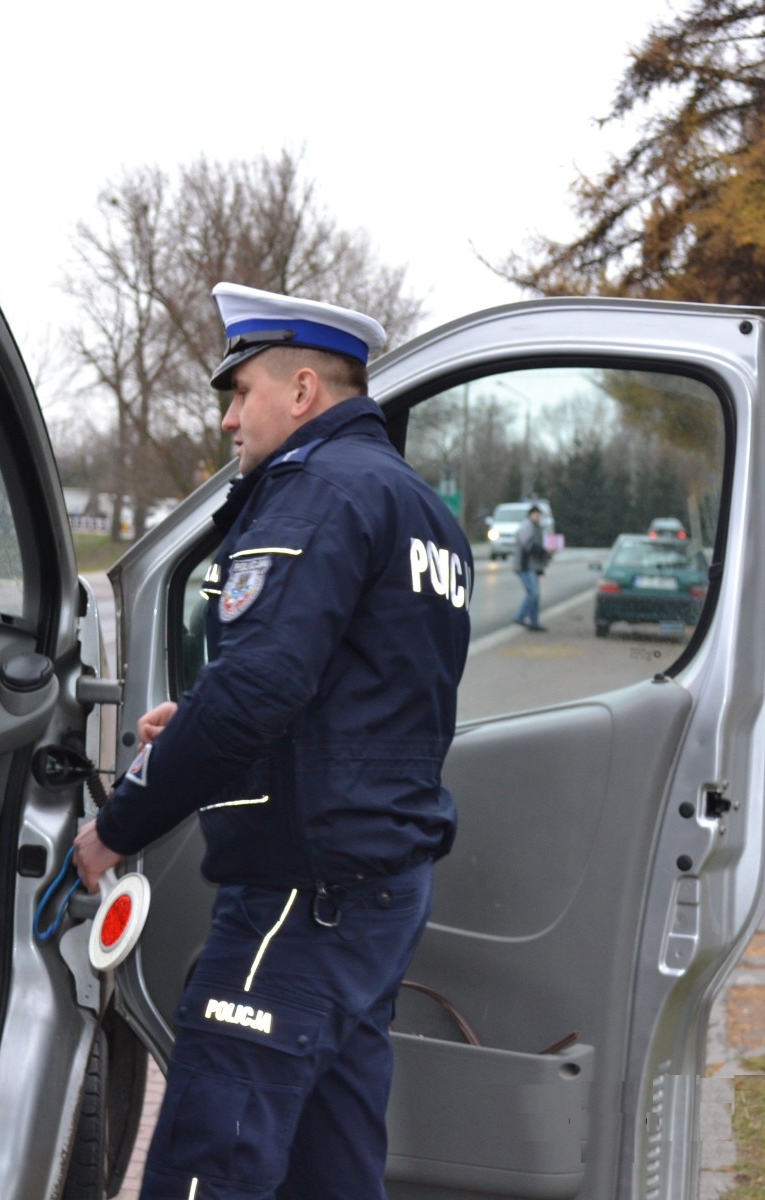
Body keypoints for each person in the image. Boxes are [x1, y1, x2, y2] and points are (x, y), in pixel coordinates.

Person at [73, 283, 471, 1200]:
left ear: (300, 391)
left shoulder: (314, 490)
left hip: (299, 900)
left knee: (207, 1167)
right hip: (378, 895)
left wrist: (118, 827)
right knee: (331, 1170)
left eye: (237, 390)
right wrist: (213, 719)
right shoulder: (423, 511)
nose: (225, 419)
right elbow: (365, 699)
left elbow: (258, 692)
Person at [512, 505, 549, 632]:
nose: (538, 517)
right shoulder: (527, 526)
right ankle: (520, 616)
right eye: (536, 514)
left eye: (539, 515)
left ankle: (534, 623)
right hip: (525, 566)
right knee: (534, 593)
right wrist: (544, 553)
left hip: (533, 566)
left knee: (535, 595)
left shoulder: (536, 527)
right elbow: (529, 545)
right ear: (530, 515)